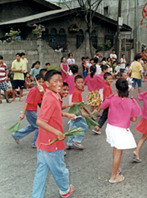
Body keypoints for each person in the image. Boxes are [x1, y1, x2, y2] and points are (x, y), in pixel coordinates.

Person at [31, 70, 75, 198]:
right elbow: (40, 121)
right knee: (60, 170)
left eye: (60, 80)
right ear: (47, 84)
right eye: (55, 81)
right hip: (52, 143)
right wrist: (58, 133)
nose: (59, 83)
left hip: (43, 142)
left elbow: (53, 112)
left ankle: (36, 196)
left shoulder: (51, 95)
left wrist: (67, 114)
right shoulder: (50, 97)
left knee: (41, 172)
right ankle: (65, 190)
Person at [97, 78, 141, 183]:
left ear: (117, 89)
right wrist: (126, 116)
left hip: (111, 128)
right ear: (128, 90)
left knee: (115, 149)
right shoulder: (131, 102)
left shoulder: (111, 98)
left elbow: (101, 107)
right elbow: (134, 119)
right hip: (121, 130)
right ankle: (113, 176)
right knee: (118, 153)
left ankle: (116, 170)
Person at [12, 74, 44, 148]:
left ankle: (16, 135)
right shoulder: (33, 90)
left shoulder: (40, 90)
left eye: (42, 82)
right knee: (39, 126)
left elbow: (39, 102)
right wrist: (23, 113)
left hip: (33, 111)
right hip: (30, 111)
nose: (41, 83)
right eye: (39, 82)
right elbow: (27, 102)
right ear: (35, 82)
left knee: (33, 126)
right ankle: (35, 143)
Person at [66, 75, 90, 150]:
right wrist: (82, 112)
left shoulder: (78, 92)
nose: (80, 84)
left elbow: (80, 103)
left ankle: (70, 143)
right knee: (84, 126)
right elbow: (77, 104)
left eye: (82, 82)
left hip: (74, 113)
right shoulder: (77, 92)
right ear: (75, 84)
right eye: (78, 82)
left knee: (73, 127)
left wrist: (89, 112)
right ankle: (77, 141)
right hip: (78, 113)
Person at [133, 92, 147, 162]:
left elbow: (139, 97)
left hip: (145, 118)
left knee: (144, 137)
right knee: (144, 137)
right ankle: (136, 151)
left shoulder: (145, 95)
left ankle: (136, 151)